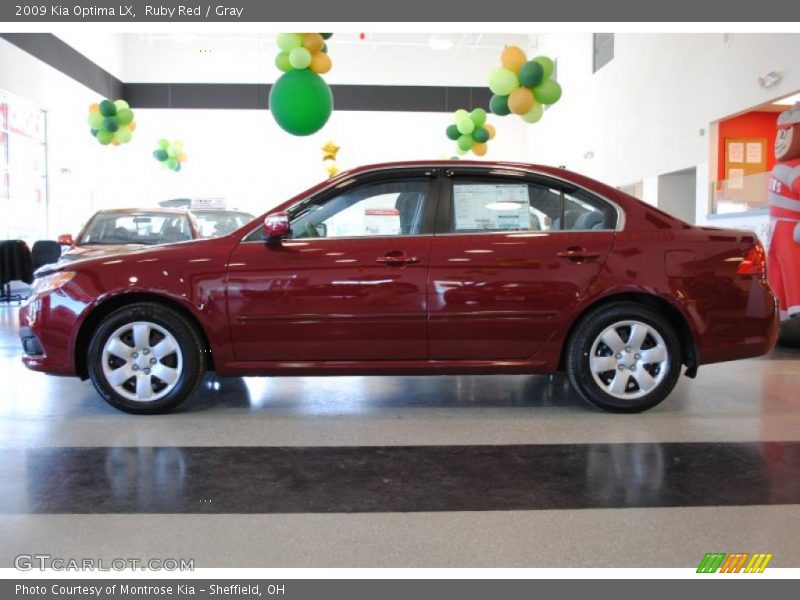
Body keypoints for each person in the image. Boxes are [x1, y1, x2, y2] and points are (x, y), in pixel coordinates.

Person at [768, 102, 800, 322]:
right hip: (784, 229)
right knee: (783, 268)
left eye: (786, 133)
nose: (780, 141)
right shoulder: (791, 167)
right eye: (780, 134)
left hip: (784, 228)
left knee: (786, 268)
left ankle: (788, 310)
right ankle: (786, 310)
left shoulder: (790, 168)